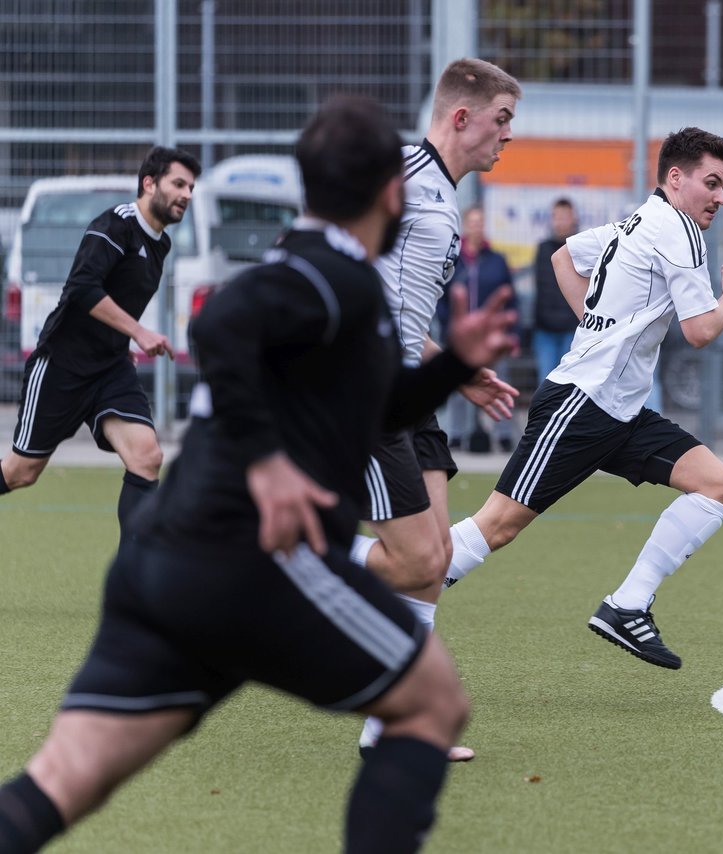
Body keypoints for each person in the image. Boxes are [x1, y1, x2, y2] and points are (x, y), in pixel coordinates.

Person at [0, 94, 517, 854]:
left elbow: (371, 404)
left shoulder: (344, 280)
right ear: (391, 194)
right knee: (432, 703)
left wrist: (452, 368)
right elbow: (221, 324)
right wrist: (271, 464)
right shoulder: (322, 273)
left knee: (64, 780)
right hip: (245, 568)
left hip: (163, 568)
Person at [442, 127, 723, 670]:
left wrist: (595, 324)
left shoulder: (634, 222)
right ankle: (389, 575)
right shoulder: (678, 231)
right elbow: (701, 330)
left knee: (715, 485)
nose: (720, 197)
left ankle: (627, 605)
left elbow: (564, 256)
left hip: (622, 411)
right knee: (498, 526)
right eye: (712, 182)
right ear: (676, 178)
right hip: (582, 404)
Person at [348, 57, 521, 761]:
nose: (507, 137)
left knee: (435, 560)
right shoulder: (399, 177)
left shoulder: (443, 196)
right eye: (502, 120)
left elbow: (399, 306)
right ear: (461, 117)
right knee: (414, 558)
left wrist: (460, 370)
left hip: (413, 386)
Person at [0, 146, 201, 547]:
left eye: (192, 188)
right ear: (150, 183)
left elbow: (117, 297)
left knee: (147, 456)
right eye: (179, 184)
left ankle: (138, 578)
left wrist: (118, 340)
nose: (187, 195)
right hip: (62, 365)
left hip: (109, 368)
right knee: (22, 472)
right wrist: (139, 333)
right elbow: (81, 290)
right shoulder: (114, 225)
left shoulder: (161, 244)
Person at [438, 205, 518, 454]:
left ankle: (503, 435)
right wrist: (449, 327)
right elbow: (440, 298)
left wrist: (512, 333)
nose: (476, 226)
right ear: (465, 225)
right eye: (472, 221)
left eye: (480, 222)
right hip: (461, 339)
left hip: (491, 338)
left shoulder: (496, 260)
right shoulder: (455, 261)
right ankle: (457, 434)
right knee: (457, 386)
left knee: (498, 382)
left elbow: (511, 300)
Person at [530, 197, 580, 383]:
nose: (561, 222)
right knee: (546, 381)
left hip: (572, 329)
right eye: (557, 217)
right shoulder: (543, 249)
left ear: (573, 218)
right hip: (545, 329)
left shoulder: (581, 247)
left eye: (565, 217)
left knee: (570, 382)